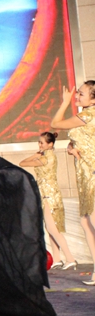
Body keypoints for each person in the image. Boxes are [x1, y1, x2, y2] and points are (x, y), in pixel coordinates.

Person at [52, 82, 95, 284]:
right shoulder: (86, 116)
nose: (76, 95)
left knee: (92, 220)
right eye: (77, 92)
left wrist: (65, 102)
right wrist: (73, 148)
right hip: (84, 173)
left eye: (81, 93)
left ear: (93, 99)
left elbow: (56, 123)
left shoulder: (88, 115)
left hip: (92, 172)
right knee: (86, 222)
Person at [19, 132, 76, 270]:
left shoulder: (45, 158)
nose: (40, 145)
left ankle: (70, 258)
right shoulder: (48, 156)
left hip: (49, 196)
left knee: (52, 228)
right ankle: (57, 258)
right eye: (39, 142)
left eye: (42, 143)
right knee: (50, 228)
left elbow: (22, 163)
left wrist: (35, 155)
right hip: (48, 195)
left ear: (50, 144)